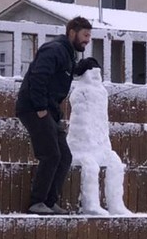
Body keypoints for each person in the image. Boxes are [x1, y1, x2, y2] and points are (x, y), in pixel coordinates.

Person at [15, 16, 93, 214]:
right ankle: (37, 202)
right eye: (85, 35)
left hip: (48, 111)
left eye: (89, 36)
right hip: (34, 109)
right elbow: (38, 76)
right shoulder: (54, 49)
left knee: (64, 156)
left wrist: (83, 67)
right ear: (72, 32)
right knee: (51, 154)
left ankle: (49, 202)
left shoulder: (67, 54)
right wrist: (40, 107)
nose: (87, 40)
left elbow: (65, 72)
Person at [67, 57, 130, 216]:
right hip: (81, 147)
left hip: (100, 145)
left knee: (115, 163)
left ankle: (116, 204)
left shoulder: (102, 93)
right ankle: (91, 204)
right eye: (92, 72)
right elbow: (82, 121)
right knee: (91, 166)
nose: (95, 75)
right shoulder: (80, 92)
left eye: (98, 72)